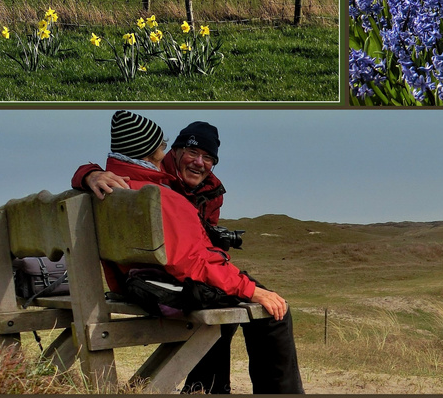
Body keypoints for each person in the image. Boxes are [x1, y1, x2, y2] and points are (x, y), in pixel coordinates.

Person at [72, 114, 303, 394]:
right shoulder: (162, 195)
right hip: (167, 287)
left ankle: (205, 390)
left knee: (223, 311)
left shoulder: (118, 183)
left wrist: (89, 174)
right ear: (168, 152)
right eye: (190, 151)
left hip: (137, 282)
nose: (198, 162)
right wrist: (250, 289)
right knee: (271, 311)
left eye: (208, 157)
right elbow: (194, 262)